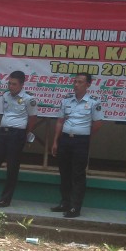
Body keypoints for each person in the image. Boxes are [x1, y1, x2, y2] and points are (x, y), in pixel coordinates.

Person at [51, 73, 103, 218]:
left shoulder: (94, 102)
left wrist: (86, 136)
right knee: (64, 172)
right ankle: (65, 203)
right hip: (65, 139)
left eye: (80, 82)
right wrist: (56, 141)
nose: (76, 84)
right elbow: (60, 121)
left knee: (78, 174)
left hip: (81, 141)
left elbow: (98, 123)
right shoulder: (67, 100)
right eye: (75, 81)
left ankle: (75, 207)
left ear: (88, 85)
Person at [0, 70, 38, 207]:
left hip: (17, 134)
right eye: (9, 83)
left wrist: (25, 134)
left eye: (14, 84)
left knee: (12, 167)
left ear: (22, 84)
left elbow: (33, 119)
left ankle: (5, 199)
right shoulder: (5, 95)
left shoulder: (29, 99)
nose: (11, 86)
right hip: (2, 133)